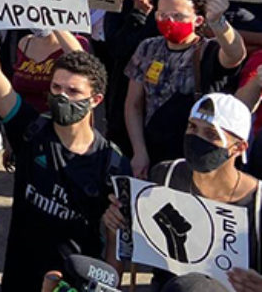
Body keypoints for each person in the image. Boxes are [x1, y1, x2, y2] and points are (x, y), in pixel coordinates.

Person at [0, 0, 130, 291]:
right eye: (56, 88)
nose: (62, 96)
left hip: (73, 283)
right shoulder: (32, 130)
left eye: (73, 91)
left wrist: (108, 283)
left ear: (95, 100)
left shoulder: (113, 163)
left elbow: (116, 239)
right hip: (20, 275)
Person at [104, 93, 262, 290]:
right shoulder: (165, 176)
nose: (197, 138)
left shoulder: (257, 203)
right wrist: (117, 225)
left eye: (211, 134)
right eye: (192, 127)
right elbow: (128, 247)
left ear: (238, 148)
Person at [125, 0, 247, 177]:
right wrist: (139, 151)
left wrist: (218, 22)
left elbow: (235, 54)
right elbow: (133, 104)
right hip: (153, 151)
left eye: (177, 16)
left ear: (198, 20)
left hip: (196, 155)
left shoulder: (209, 51)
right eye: (162, 15)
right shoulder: (148, 47)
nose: (169, 21)